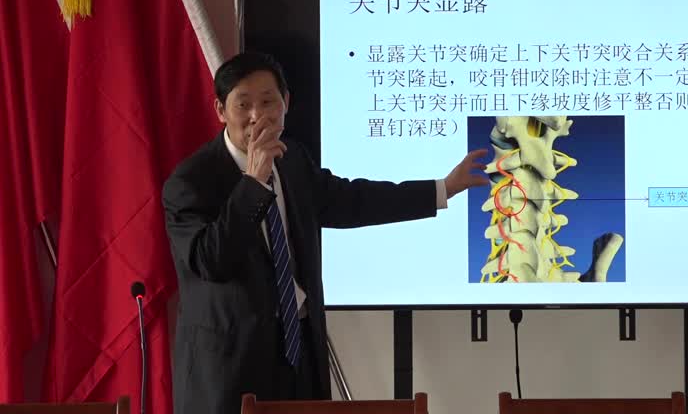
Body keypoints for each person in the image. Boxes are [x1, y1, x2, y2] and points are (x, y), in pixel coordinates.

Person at [161, 51, 488, 414]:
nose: (257, 116)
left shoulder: (293, 160)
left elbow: (353, 201)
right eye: (243, 104)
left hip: (300, 352)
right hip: (230, 368)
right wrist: (252, 183)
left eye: (268, 101)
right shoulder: (190, 182)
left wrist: (442, 188)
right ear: (221, 110)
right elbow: (210, 261)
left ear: (286, 103)